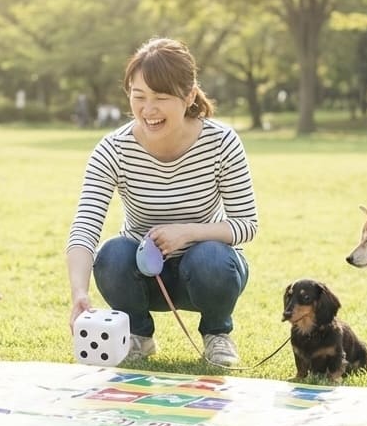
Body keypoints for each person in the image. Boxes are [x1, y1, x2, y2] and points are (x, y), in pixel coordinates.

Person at [66, 37, 259, 366]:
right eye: (138, 96)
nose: (148, 109)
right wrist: (79, 292)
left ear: (188, 96)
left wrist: (188, 233)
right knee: (112, 254)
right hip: (143, 274)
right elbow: (85, 225)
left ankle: (216, 333)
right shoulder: (113, 149)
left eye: (160, 97)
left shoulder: (221, 142)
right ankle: (138, 334)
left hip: (206, 274)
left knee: (211, 258)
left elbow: (246, 225)